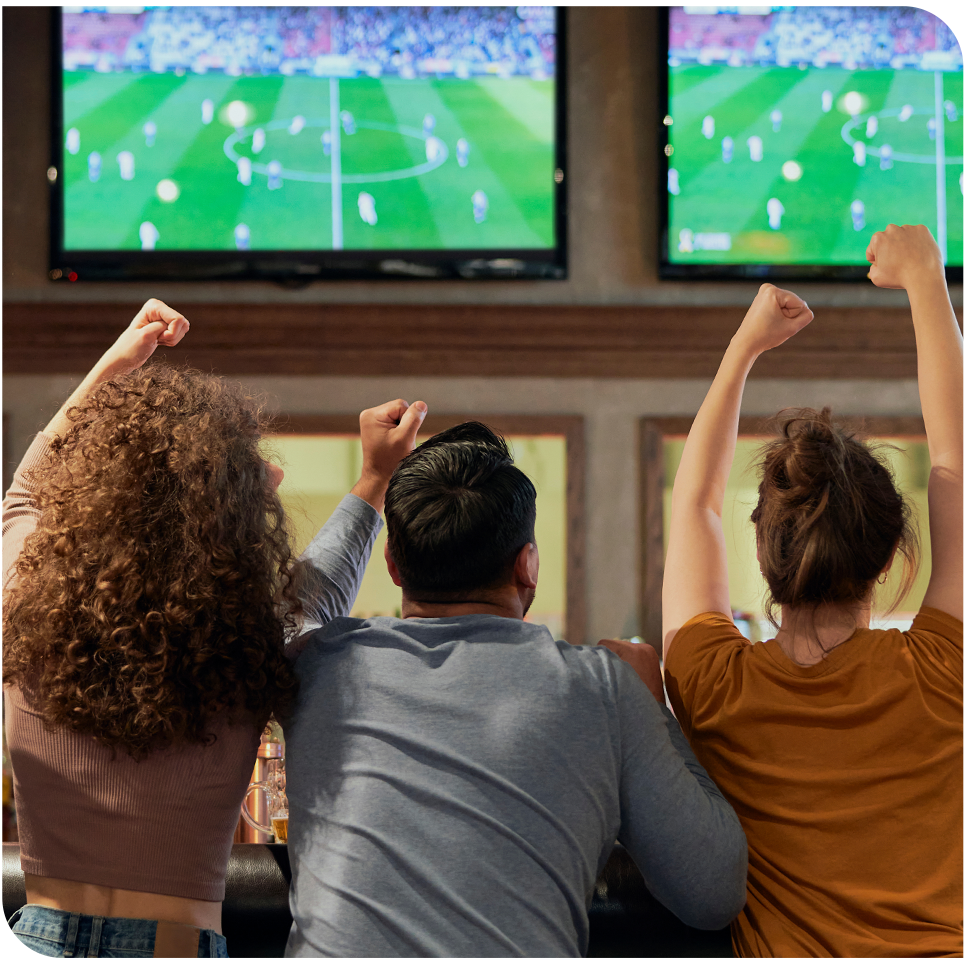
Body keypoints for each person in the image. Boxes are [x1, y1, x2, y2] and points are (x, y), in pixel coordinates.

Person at [3, 299, 428, 957]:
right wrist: (373, 479)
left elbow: (26, 493)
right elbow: (321, 590)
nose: (276, 475)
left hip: (32, 942)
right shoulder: (244, 638)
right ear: (218, 517)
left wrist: (115, 366)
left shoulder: (23, 592)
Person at [281, 422, 747, 957]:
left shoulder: (320, 662)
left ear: (392, 566)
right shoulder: (600, 688)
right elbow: (713, 890)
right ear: (528, 566)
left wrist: (373, 479)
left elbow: (293, 611)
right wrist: (654, 707)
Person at [661, 224, 963, 957]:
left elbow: (694, 501)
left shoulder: (710, 682)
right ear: (891, 558)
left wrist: (743, 349)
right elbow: (956, 465)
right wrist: (926, 279)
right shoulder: (941, 672)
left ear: (762, 550)